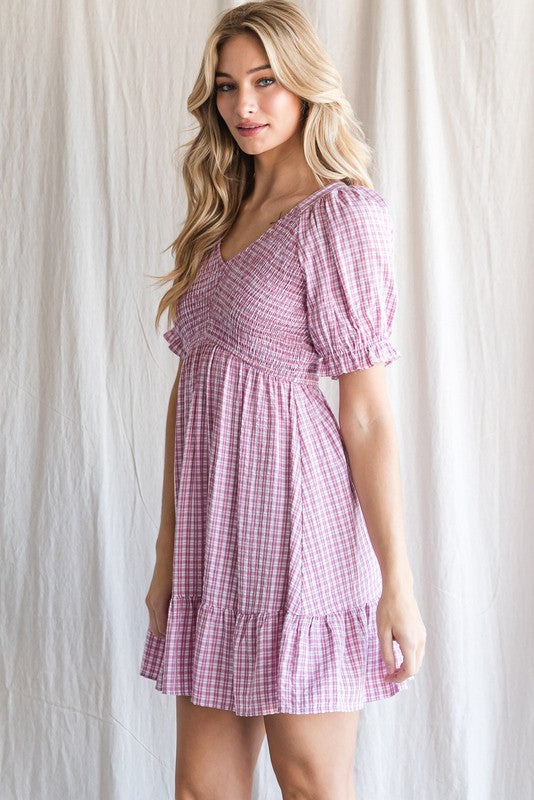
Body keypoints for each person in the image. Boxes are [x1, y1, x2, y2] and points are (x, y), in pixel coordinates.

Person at [140, 1, 427, 798]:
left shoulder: (339, 215)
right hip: (211, 542)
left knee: (311, 784)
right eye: (228, 85)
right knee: (202, 789)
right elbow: (190, 392)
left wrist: (398, 582)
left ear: (305, 84)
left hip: (298, 534)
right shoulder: (220, 219)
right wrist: (167, 553)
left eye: (265, 81)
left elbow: (366, 411)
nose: (245, 104)